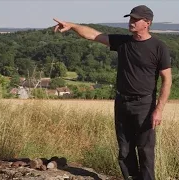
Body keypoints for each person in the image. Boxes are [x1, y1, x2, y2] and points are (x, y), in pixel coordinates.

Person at [53, 5, 172, 180]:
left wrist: (159, 109)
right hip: (122, 102)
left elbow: (167, 80)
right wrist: (72, 25)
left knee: (145, 151)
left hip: (145, 105)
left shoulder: (159, 47)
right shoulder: (123, 42)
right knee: (124, 150)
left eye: (134, 19)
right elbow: (93, 35)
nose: (130, 22)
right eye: (130, 18)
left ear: (147, 23)